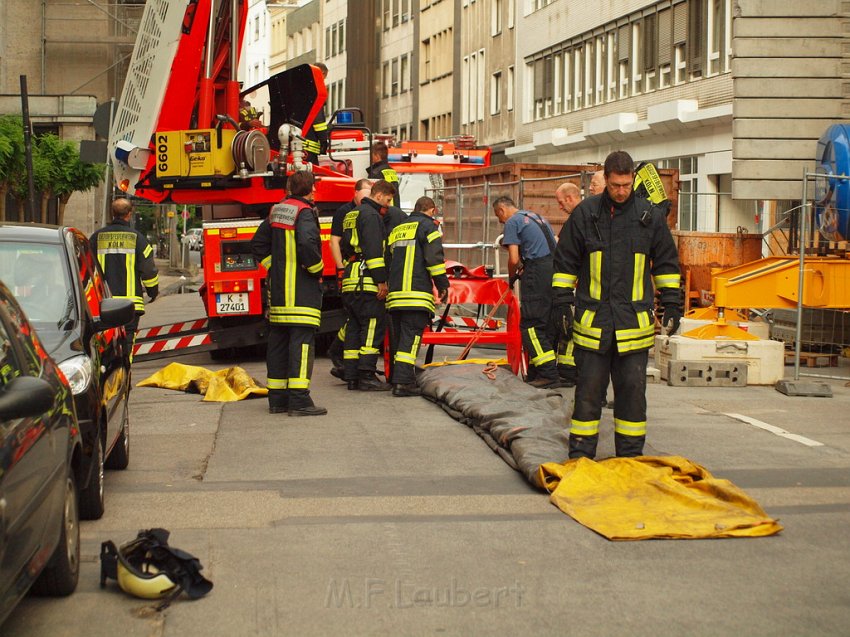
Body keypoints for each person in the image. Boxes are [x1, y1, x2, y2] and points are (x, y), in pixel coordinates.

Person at [552, 150, 681, 459]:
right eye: (615, 185)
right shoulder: (585, 214)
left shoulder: (649, 217)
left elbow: (665, 264)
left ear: (633, 180)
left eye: (626, 185)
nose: (621, 191)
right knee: (587, 396)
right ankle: (581, 457)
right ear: (605, 180)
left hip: (632, 327)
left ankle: (631, 457)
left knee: (633, 397)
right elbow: (565, 262)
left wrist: (672, 304)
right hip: (593, 326)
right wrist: (560, 302)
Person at [251, 171, 327, 416]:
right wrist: (316, 269)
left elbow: (258, 245)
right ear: (307, 189)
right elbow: (306, 244)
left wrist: (276, 266)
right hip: (301, 293)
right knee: (302, 345)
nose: (315, 192)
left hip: (279, 294)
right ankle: (299, 400)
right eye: (313, 188)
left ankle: (278, 400)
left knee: (279, 345)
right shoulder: (304, 212)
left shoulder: (277, 211)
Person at [492, 195, 560, 389]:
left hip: (537, 273)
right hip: (553, 270)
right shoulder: (536, 217)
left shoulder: (513, 221)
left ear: (501, 210)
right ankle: (536, 372)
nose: (501, 221)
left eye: (499, 217)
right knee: (546, 323)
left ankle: (548, 373)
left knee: (530, 325)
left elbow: (513, 258)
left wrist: (511, 278)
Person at [386, 196, 449, 397]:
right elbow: (434, 259)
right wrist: (442, 285)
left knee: (399, 339)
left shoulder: (397, 229)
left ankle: (397, 378)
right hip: (416, 294)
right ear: (431, 210)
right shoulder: (429, 227)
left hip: (395, 295)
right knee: (410, 339)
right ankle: (403, 383)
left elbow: (388, 260)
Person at [339, 179, 397, 391]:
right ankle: (366, 375)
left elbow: (346, 247)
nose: (388, 205)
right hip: (367, 280)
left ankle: (352, 375)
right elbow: (374, 251)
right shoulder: (372, 216)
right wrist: (381, 280)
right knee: (372, 326)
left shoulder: (352, 213)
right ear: (379, 195)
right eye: (388, 200)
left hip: (351, 278)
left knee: (354, 327)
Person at [91, 198, 159, 359]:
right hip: (130, 306)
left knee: (104, 343)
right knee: (127, 342)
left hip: (103, 305)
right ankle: (125, 375)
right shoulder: (138, 239)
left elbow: (85, 268)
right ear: (129, 214)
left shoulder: (96, 238)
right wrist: (152, 292)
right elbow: (148, 271)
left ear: (112, 213)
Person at [327, 179, 372, 377]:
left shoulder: (371, 210)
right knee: (355, 317)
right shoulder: (343, 212)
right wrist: (340, 268)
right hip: (351, 266)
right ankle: (338, 351)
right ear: (354, 193)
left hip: (364, 268)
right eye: (363, 196)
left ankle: (344, 357)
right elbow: (334, 241)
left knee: (355, 317)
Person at [553, 182, 582, 386]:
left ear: (570, 198)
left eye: (561, 202)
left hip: (579, 288)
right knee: (568, 329)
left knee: (572, 329)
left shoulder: (579, 221)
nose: (560, 207)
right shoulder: (577, 219)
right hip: (575, 288)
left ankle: (571, 371)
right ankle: (567, 370)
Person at [304, 63, 329, 165]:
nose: (323, 81)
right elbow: (318, 122)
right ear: (321, 73)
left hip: (299, 145)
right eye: (324, 77)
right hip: (309, 149)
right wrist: (324, 140)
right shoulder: (316, 91)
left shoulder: (302, 90)